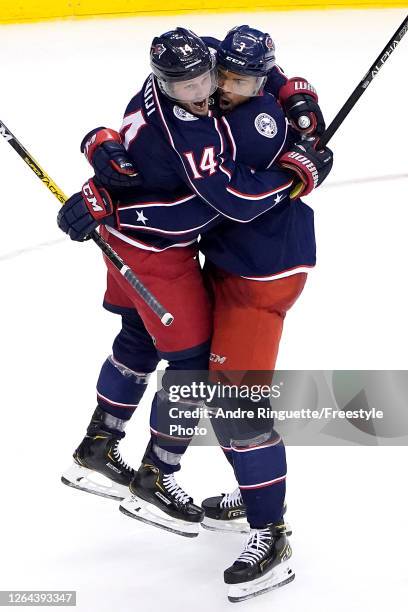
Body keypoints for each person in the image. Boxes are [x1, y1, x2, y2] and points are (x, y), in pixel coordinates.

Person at [57, 28, 330, 542]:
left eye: (216, 78)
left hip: (175, 250)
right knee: (196, 371)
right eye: (189, 86)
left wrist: (298, 92)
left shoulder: (203, 82)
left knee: (141, 341)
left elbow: (250, 67)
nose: (208, 92)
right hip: (160, 250)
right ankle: (158, 479)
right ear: (164, 80)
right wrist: (298, 176)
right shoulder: (205, 135)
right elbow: (219, 206)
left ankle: (99, 445)